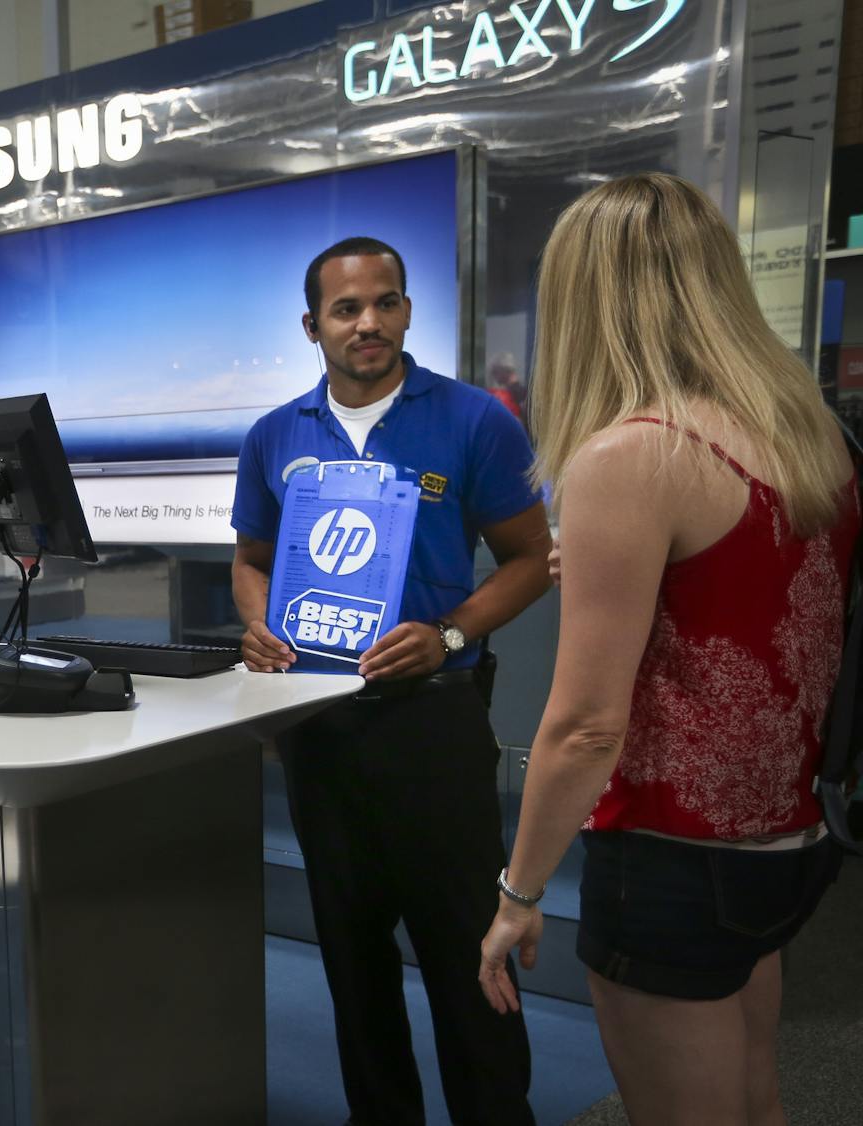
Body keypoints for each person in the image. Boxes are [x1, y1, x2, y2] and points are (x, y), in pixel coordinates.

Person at [478, 173, 860, 1126]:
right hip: (789, 835)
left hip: (671, 860)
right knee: (756, 1096)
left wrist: (518, 892)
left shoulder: (631, 454)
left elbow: (583, 727)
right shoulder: (810, 432)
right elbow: (747, 585)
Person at [233, 236, 552, 1125]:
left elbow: (531, 559)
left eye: (386, 302)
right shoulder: (275, 436)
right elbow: (250, 558)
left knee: (467, 955)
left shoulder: (474, 420)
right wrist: (256, 623)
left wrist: (450, 631)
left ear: (408, 311)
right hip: (319, 727)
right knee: (351, 957)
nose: (368, 322)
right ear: (313, 326)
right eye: (346, 308)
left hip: (435, 722)